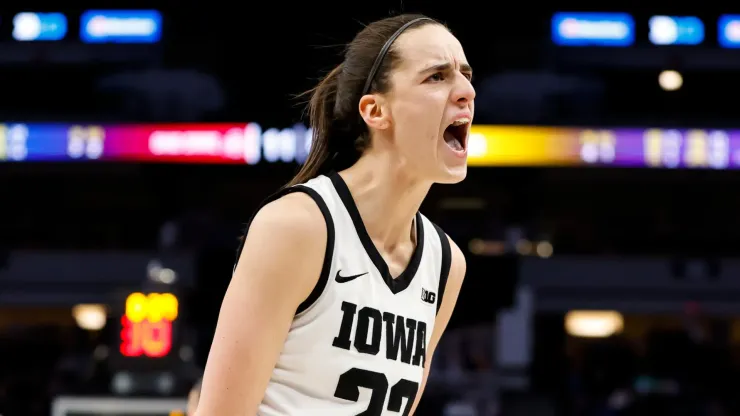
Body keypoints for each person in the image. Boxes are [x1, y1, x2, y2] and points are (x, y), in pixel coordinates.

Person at [196, 13, 473, 416]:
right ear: (376, 111)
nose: (465, 91)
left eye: (466, 75)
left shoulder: (446, 264)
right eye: (437, 77)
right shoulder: (299, 226)